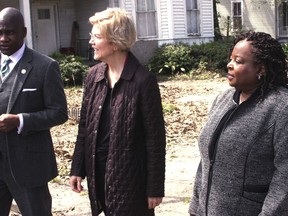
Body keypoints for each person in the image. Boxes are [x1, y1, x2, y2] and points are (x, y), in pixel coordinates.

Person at [69, 7, 166, 216]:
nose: (90, 42)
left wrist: (155, 188)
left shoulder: (143, 81)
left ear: (114, 42)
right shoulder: (93, 76)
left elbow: (155, 140)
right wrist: (77, 168)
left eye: (96, 37)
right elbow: (84, 127)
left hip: (131, 179)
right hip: (98, 173)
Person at [189, 31, 288, 216]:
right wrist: (196, 207)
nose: (229, 65)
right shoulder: (223, 99)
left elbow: (285, 177)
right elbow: (206, 159)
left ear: (261, 69)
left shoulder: (281, 108)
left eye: (239, 61)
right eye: (231, 59)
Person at [0, 7, 68, 216]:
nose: (3, 38)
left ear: (24, 32)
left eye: (9, 32)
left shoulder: (44, 67)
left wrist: (20, 120)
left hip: (28, 166)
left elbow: (59, 112)